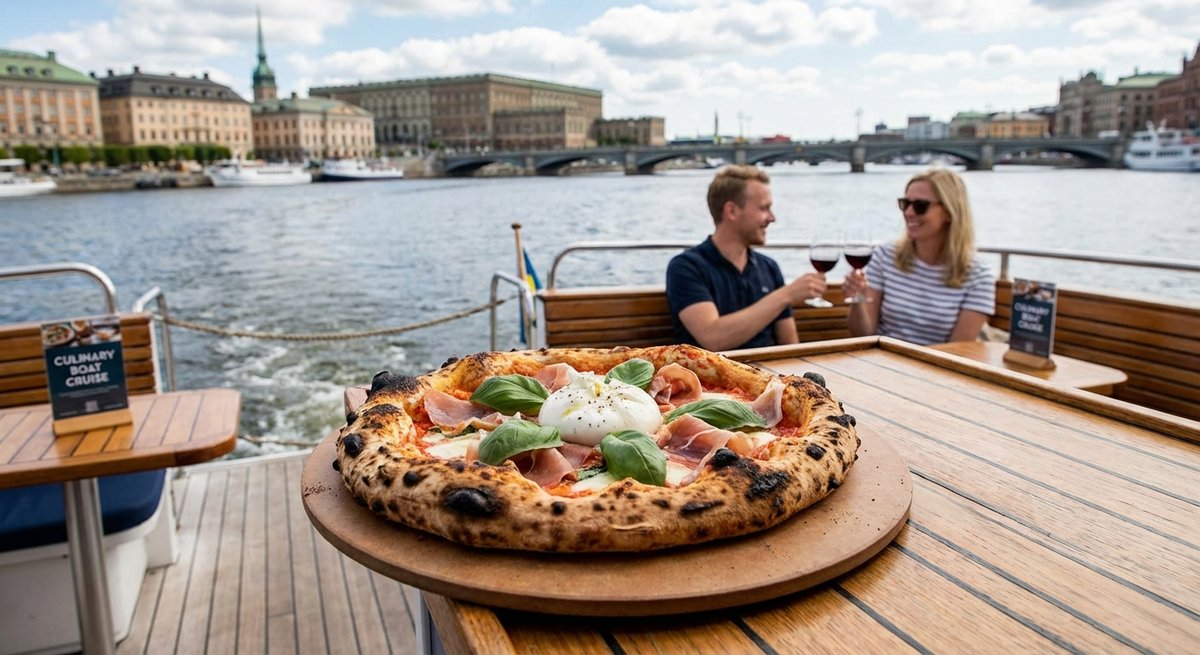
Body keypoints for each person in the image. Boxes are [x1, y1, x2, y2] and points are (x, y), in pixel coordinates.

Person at [666, 165, 827, 351]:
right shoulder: (686, 267)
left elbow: (790, 345)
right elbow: (712, 338)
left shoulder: (769, 267)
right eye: (764, 208)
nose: (772, 218)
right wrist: (787, 294)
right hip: (712, 376)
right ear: (732, 211)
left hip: (771, 376)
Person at [843, 168, 995, 345]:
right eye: (905, 203)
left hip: (935, 369)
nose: (908, 212)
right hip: (880, 363)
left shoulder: (979, 276)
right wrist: (858, 301)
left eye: (920, 206)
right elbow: (862, 334)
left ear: (949, 212)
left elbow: (958, 353)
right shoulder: (885, 256)